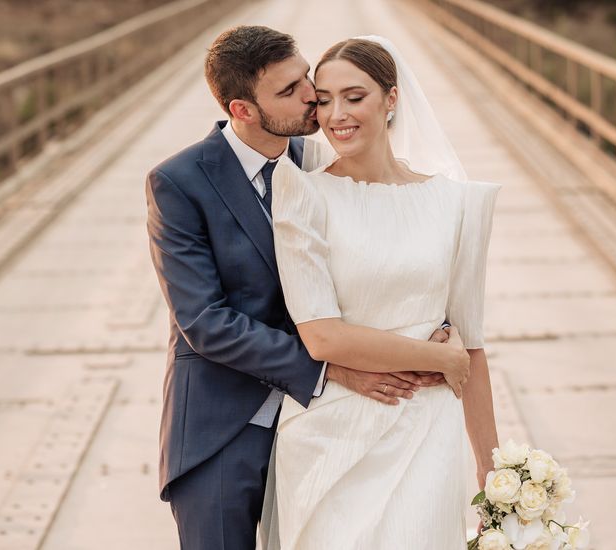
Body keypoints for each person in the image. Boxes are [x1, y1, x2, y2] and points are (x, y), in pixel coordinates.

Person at [145, 26, 463, 550]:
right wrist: (328, 367)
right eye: (289, 91)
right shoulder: (179, 182)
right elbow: (205, 322)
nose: (312, 97)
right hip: (224, 422)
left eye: (305, 79)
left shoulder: (315, 159)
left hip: (329, 424)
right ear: (243, 110)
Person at [260, 37, 502, 549]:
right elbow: (322, 338)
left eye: (355, 96)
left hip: (426, 430)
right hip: (330, 431)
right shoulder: (302, 192)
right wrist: (441, 361)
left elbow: (471, 344)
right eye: (323, 100)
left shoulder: (457, 202)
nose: (336, 114)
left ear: (391, 99)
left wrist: (492, 473)